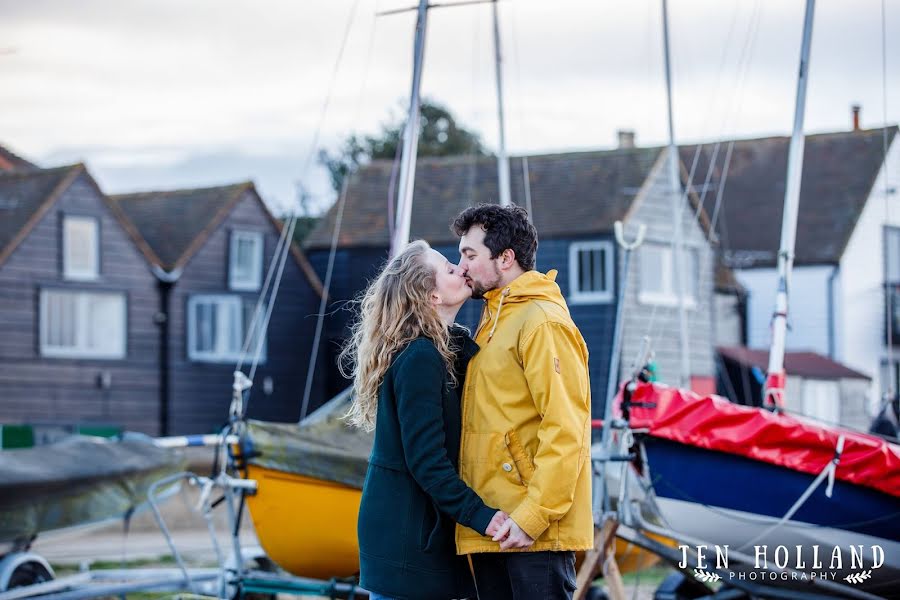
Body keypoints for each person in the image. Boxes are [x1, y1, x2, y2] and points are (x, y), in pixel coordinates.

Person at [342, 240, 508, 600]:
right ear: (431, 296)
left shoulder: (439, 351)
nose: (461, 269)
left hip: (413, 532)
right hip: (407, 540)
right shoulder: (420, 358)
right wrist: (483, 516)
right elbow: (426, 461)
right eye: (449, 269)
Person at [452, 204, 593, 600]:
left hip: (533, 533)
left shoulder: (542, 321)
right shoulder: (492, 317)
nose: (461, 266)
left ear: (506, 258)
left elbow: (567, 428)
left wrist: (532, 518)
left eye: (469, 254)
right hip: (494, 524)